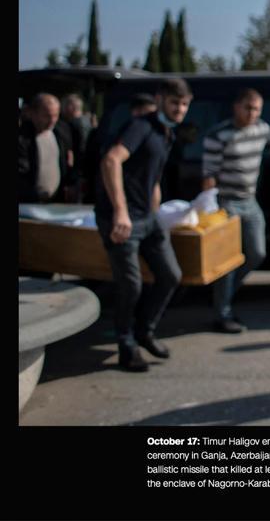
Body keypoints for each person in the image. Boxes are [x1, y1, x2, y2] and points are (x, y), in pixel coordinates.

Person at [94, 78, 192, 372]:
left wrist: (156, 210)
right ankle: (126, 345)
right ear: (160, 99)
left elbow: (154, 175)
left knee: (170, 275)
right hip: (121, 219)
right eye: (175, 103)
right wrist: (121, 212)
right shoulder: (141, 126)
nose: (180, 110)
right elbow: (112, 161)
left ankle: (144, 331)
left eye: (185, 105)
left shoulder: (166, 133)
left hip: (148, 218)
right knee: (131, 286)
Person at [202, 88, 270, 333]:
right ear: (236, 107)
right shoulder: (219, 135)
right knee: (228, 261)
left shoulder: (262, 128)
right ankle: (223, 312)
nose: (252, 114)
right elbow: (209, 176)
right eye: (248, 108)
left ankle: (223, 294)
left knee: (257, 253)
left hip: (250, 201)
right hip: (225, 203)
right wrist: (211, 211)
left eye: (256, 109)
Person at [19, 93, 77, 204]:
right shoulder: (23, 138)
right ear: (33, 114)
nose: (52, 120)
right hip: (28, 204)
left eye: (55, 115)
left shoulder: (61, 132)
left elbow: (68, 160)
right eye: (47, 116)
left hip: (57, 201)